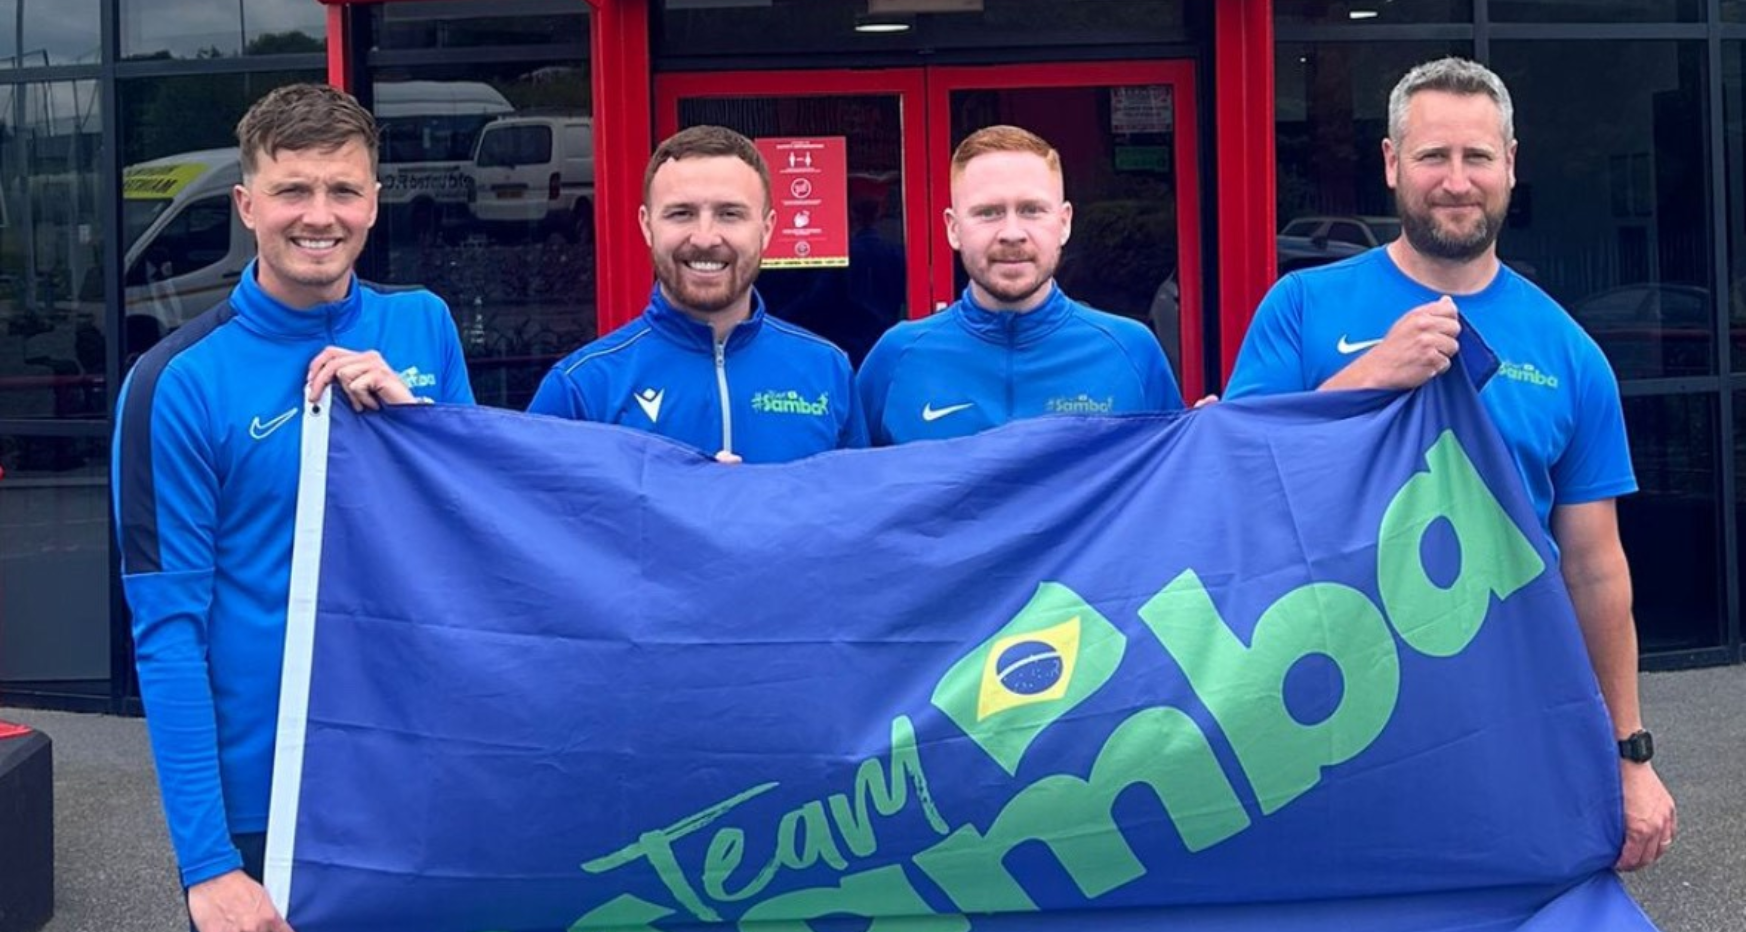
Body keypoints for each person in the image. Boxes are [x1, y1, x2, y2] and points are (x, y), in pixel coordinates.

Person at [1224, 57, 1676, 871]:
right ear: (1394, 165)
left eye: (1477, 157)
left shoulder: (1569, 352)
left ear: (1511, 163)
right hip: (1317, 712)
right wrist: (1370, 376)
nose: (1456, 181)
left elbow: (1595, 570)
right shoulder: (1301, 307)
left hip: (1504, 717)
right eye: (1433, 156)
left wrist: (1629, 754)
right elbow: (1236, 478)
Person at [112, 83, 474, 932]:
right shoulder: (177, 381)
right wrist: (207, 866)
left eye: (344, 189)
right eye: (293, 190)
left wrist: (415, 428)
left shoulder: (423, 328)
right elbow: (167, 633)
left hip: (414, 773)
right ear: (248, 204)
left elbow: (476, 542)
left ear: (375, 202)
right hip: (262, 804)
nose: (321, 215)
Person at [527, 125, 864, 463]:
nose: (705, 238)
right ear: (647, 225)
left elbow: (857, 508)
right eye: (681, 213)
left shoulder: (827, 371)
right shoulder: (582, 388)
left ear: (766, 229)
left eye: (729, 214)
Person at [854, 125, 1184, 446]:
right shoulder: (896, 358)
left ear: (1064, 222)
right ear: (953, 229)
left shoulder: (1132, 352)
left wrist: (1208, 436)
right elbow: (848, 490)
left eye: (1032, 210)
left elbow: (1174, 485)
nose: (1012, 232)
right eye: (988, 212)